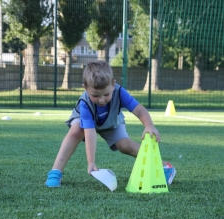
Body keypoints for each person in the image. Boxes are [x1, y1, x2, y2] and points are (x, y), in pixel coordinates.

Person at [45, 60, 176, 188]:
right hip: (85, 121)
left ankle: (165, 166)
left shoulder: (119, 92)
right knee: (76, 130)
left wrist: (149, 125)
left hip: (112, 121)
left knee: (125, 145)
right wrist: (91, 162)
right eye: (95, 95)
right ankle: (55, 173)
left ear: (113, 84)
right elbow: (90, 133)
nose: (101, 100)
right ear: (85, 88)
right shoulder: (85, 104)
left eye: (106, 94)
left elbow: (139, 110)